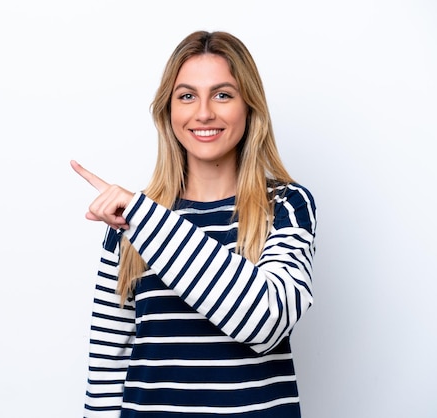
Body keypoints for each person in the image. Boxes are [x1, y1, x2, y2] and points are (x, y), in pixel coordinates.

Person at [71, 30, 316, 418]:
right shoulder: (128, 219)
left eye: (222, 94)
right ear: (169, 111)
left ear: (249, 108)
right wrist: (140, 215)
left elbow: (267, 321)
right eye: (187, 96)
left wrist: (146, 218)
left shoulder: (285, 206)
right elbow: (107, 367)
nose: (203, 113)